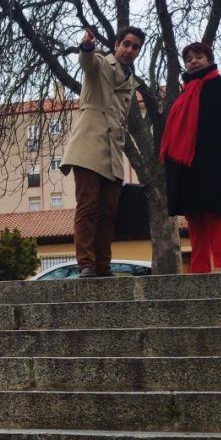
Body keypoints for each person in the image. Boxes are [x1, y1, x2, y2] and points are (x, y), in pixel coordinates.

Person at [61, 25, 145, 277]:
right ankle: (86, 263)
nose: (130, 50)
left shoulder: (131, 81)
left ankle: (103, 266)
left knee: (109, 212)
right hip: (88, 145)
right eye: (126, 44)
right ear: (117, 45)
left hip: (113, 152)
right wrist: (87, 46)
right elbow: (87, 62)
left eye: (135, 47)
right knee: (88, 206)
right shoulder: (100, 64)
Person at [160, 41, 221, 273]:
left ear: (209, 59)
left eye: (198, 56)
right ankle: (199, 270)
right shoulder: (184, 95)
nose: (193, 62)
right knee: (195, 219)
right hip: (188, 168)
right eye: (188, 59)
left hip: (216, 165)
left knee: (216, 214)